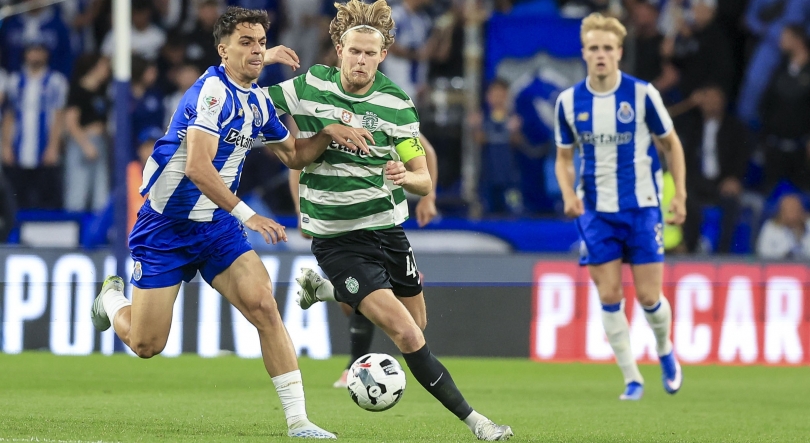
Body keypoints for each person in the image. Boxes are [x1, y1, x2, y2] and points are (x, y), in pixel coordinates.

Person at [90, 6, 374, 439]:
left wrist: (326, 133)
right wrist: (250, 214)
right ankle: (111, 300)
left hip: (216, 227)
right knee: (148, 345)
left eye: (261, 42)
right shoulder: (210, 94)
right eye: (246, 42)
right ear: (223, 50)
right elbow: (198, 168)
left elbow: (294, 155)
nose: (257, 50)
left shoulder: (258, 103)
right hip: (166, 227)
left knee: (264, 306)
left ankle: (298, 422)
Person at [265, 1, 512, 440]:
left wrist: (409, 176)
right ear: (338, 49)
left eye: (369, 53)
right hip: (337, 238)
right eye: (353, 51)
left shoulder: (396, 104)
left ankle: (325, 288)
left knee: (417, 323)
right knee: (404, 333)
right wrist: (260, 59)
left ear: (383, 56)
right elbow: (247, 102)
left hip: (386, 229)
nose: (360, 60)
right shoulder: (309, 87)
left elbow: (423, 178)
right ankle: (479, 423)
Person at [553, 13, 687, 401]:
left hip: (643, 208)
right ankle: (632, 378)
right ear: (583, 53)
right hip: (595, 212)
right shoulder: (568, 101)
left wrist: (679, 194)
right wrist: (568, 194)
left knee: (649, 297)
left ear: (619, 53)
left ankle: (664, 351)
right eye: (593, 48)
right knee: (609, 294)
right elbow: (563, 158)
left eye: (607, 48)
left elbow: (671, 144)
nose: (600, 55)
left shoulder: (643, 95)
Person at [287, 133, 439, 388]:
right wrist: (301, 208)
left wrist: (428, 197)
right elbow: (297, 161)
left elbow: (427, 152)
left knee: (413, 323)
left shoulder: (386, 112)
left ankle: (336, 299)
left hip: (380, 220)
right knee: (353, 304)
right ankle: (355, 361)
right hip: (336, 221)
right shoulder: (323, 114)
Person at [756, 194, 810, 259]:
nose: (793, 213)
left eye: (795, 209)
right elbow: (763, 252)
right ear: (782, 212)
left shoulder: (808, 224)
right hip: (778, 267)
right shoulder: (770, 227)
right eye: (789, 209)